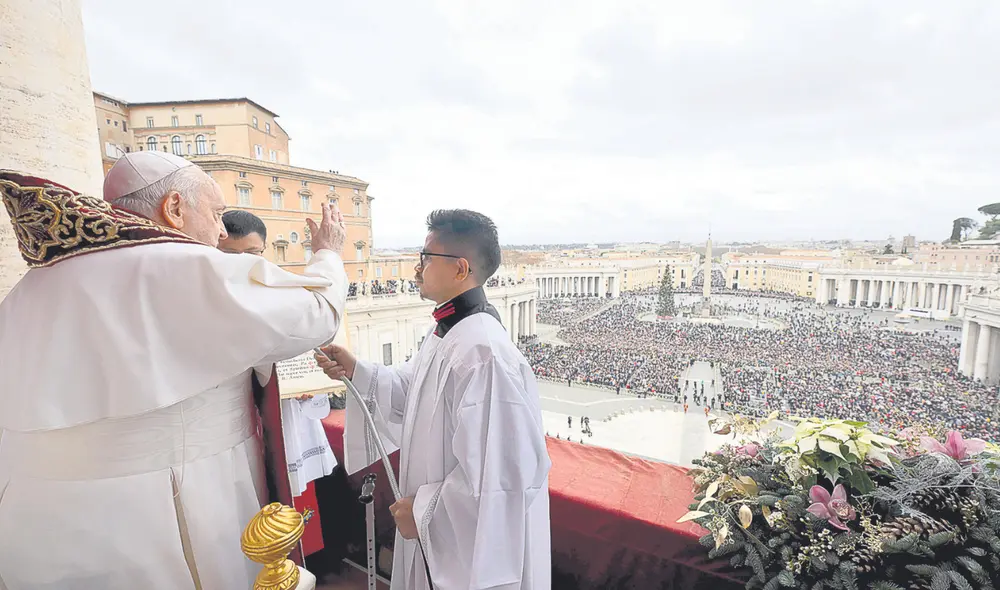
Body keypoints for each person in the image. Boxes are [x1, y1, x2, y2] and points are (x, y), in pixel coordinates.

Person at [0, 152, 348, 590]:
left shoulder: (30, 287)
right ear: (174, 208)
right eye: (218, 213)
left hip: (37, 516)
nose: (222, 231)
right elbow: (317, 314)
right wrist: (328, 254)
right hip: (163, 506)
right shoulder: (181, 264)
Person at [316, 209, 551, 590]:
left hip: (460, 549)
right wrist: (357, 370)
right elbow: (413, 393)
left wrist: (425, 512)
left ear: (460, 269)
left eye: (426, 258)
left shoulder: (484, 353)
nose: (416, 268)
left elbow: (502, 475)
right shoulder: (447, 333)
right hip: (428, 530)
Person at [219, 210, 338, 498]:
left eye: (253, 253)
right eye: (230, 255)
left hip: (284, 416)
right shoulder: (213, 295)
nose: (243, 264)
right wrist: (328, 253)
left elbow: (317, 334)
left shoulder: (284, 293)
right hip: (234, 428)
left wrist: (311, 388)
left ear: (265, 251)